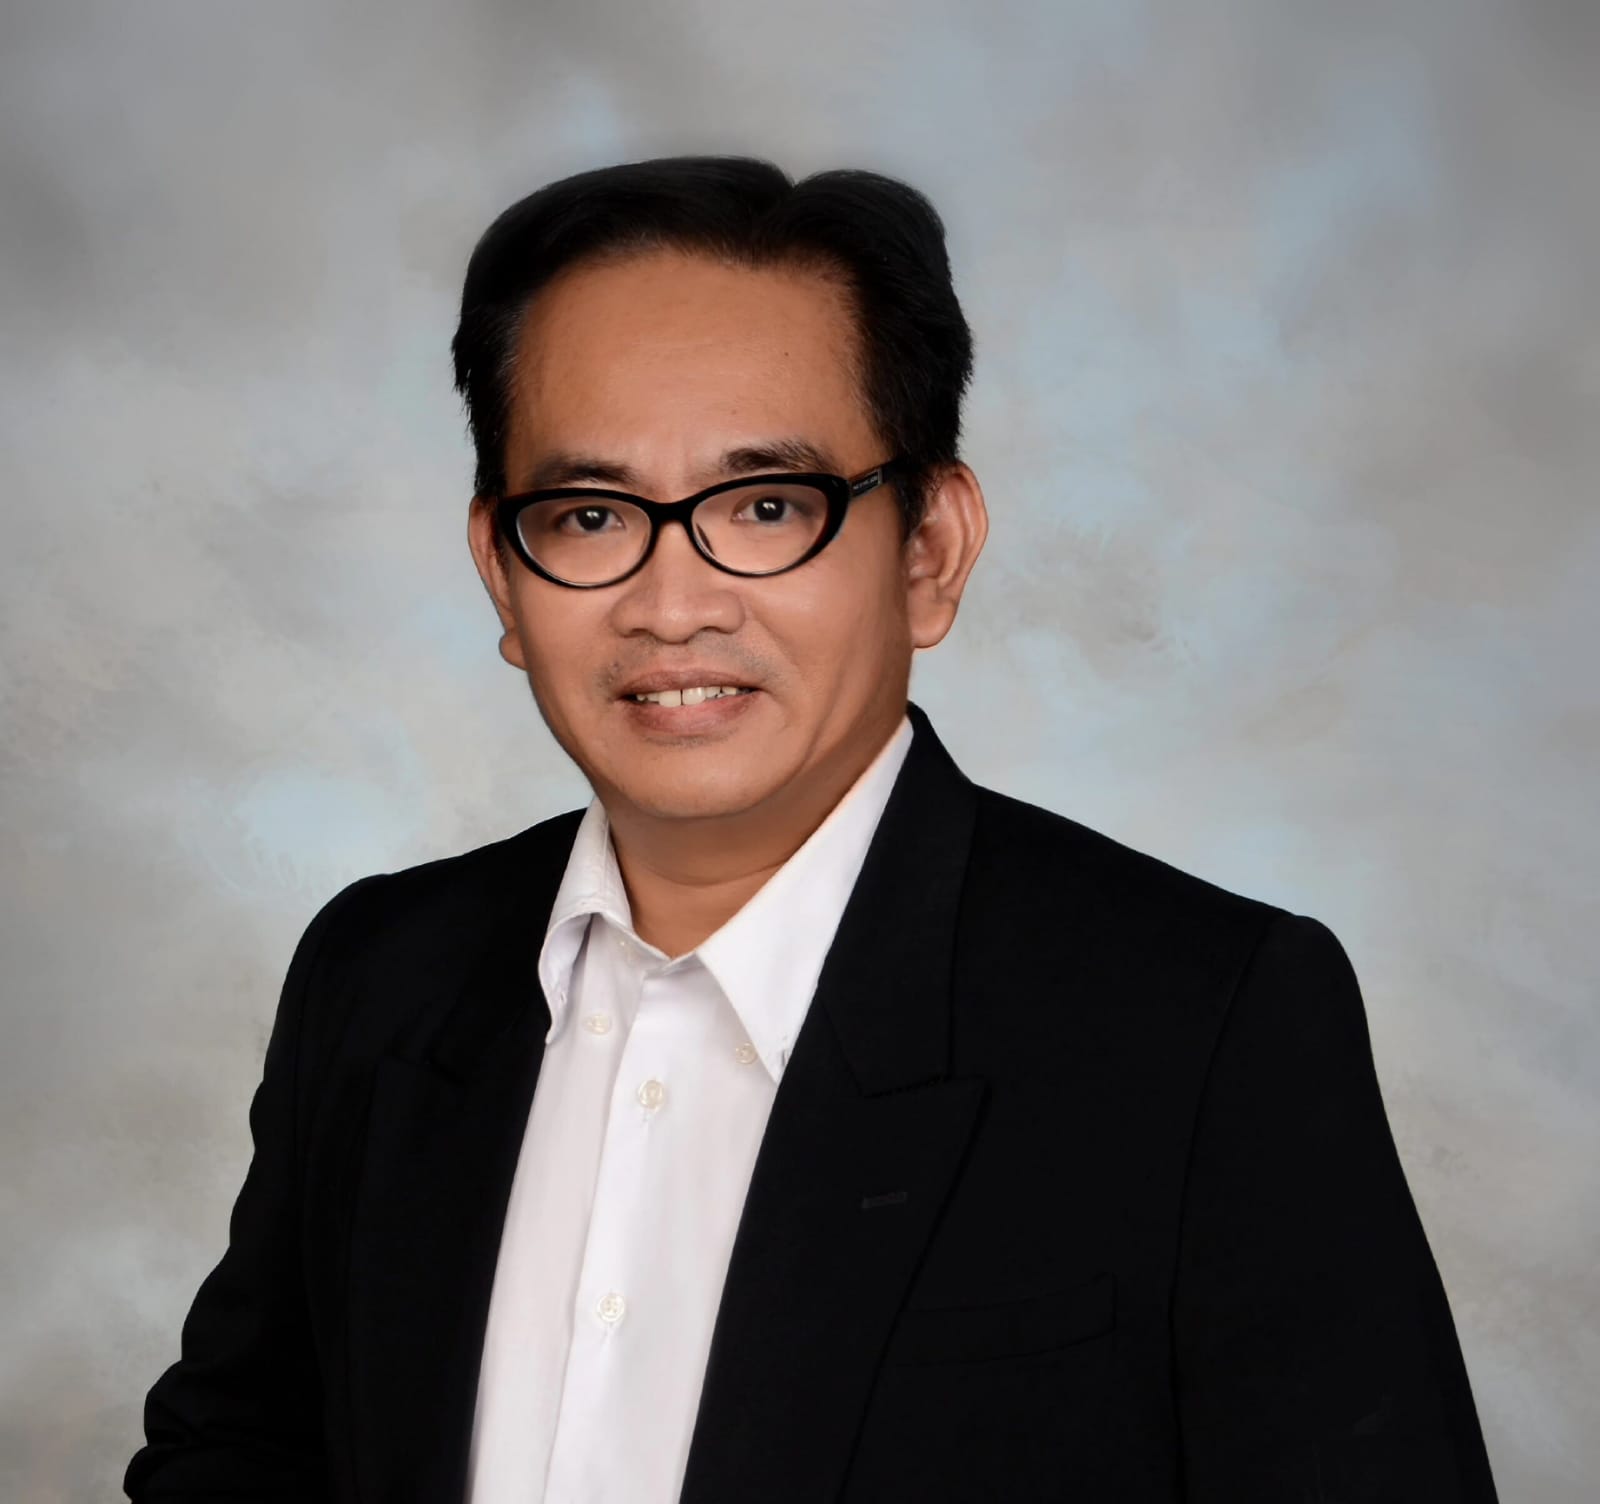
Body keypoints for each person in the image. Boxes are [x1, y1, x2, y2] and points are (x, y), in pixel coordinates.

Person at [125, 155, 1499, 1502]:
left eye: (767, 507)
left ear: (931, 551)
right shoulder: (380, 974)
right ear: (502, 569)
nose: (674, 605)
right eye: (590, 515)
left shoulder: (1203, 1021)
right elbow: (240, 1454)